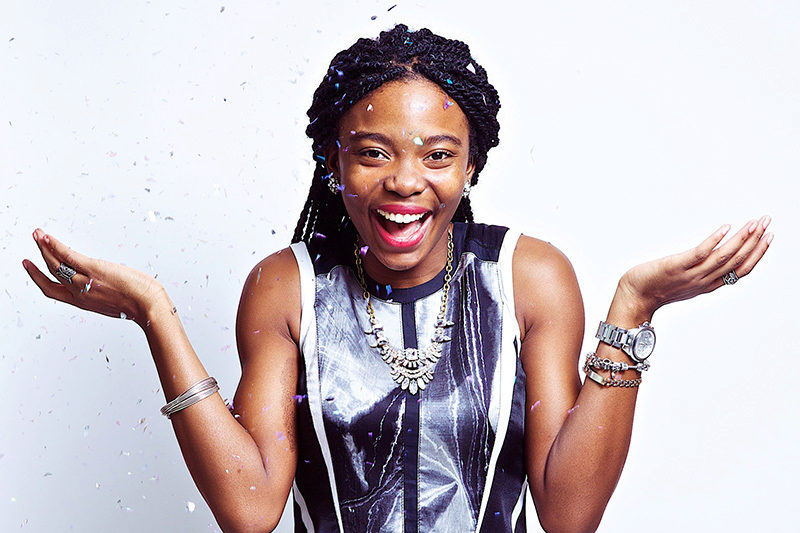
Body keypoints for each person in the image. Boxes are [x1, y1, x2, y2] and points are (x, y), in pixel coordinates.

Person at [22, 24, 772, 533]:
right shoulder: (287, 287)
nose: (405, 182)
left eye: (438, 156)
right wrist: (156, 314)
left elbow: (569, 513)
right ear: (334, 163)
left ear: (471, 163)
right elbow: (250, 510)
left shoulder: (528, 276)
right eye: (372, 153)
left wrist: (633, 310)